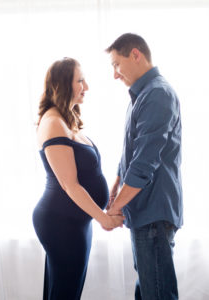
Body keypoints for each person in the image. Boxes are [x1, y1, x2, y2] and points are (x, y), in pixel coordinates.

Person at [32, 57, 124, 300]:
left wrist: (107, 205)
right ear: (63, 85)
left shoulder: (65, 120)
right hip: (61, 223)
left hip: (75, 223)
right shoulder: (53, 123)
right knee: (65, 293)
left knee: (63, 291)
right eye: (80, 80)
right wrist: (103, 218)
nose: (86, 86)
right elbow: (69, 185)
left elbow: (87, 176)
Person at [105, 33, 183, 300]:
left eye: (116, 64)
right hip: (144, 212)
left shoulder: (157, 94)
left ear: (135, 54)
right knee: (148, 291)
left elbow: (143, 164)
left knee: (157, 294)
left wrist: (113, 209)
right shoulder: (142, 96)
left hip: (153, 213)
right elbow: (132, 151)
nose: (115, 74)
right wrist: (116, 183)